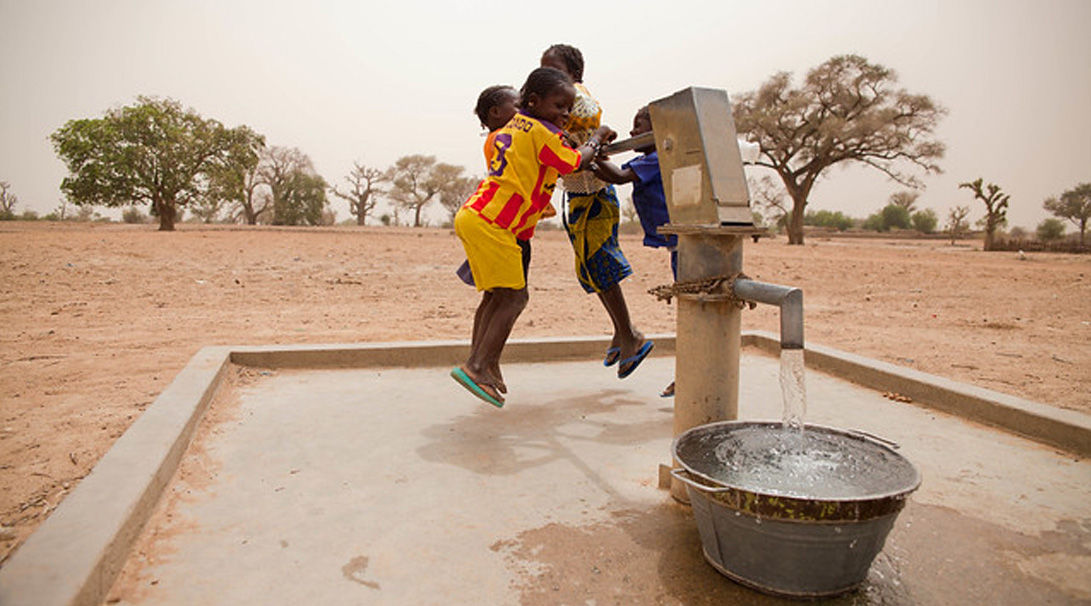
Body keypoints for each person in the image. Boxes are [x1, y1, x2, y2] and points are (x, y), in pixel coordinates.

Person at [451, 67, 617, 408]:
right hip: (495, 222)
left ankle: (485, 361)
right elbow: (573, 163)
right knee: (514, 298)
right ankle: (477, 366)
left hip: (479, 215)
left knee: (496, 297)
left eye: (568, 108)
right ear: (533, 102)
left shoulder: (509, 128)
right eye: (559, 106)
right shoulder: (541, 131)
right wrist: (596, 138)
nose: (565, 115)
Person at [540, 43, 652, 380]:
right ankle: (622, 332)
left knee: (601, 265)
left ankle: (630, 334)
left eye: (557, 70)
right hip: (577, 196)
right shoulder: (554, 103)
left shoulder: (578, 98)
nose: (551, 76)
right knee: (590, 269)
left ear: (575, 75)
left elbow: (589, 111)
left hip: (595, 194)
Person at [592, 105, 677, 397]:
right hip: (679, 243)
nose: (631, 133)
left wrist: (588, 158)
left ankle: (690, 375)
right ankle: (689, 373)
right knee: (692, 308)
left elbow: (617, 177)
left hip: (685, 242)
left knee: (695, 310)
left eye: (638, 127)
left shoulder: (656, 159)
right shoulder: (654, 158)